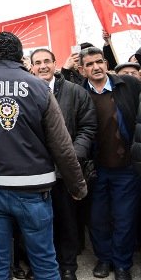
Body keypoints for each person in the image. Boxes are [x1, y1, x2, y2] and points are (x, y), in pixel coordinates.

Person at [0, 32, 87, 280]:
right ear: (20, 55)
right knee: (45, 261)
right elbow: (62, 145)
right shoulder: (39, 87)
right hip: (33, 189)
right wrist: (77, 186)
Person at [30, 48, 97, 280]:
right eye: (37, 62)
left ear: (55, 64)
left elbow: (88, 127)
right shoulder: (25, 93)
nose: (42, 66)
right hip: (34, 172)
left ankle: (68, 266)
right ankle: (42, 265)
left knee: (67, 221)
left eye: (47, 61)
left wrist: (74, 155)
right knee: (38, 224)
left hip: (65, 171)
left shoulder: (75, 92)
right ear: (31, 67)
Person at [82, 47, 141, 280]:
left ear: (106, 63)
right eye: (89, 64)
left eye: (99, 62)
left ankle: (122, 264)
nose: (95, 67)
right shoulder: (78, 93)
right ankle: (104, 259)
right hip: (96, 170)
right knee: (97, 220)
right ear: (82, 69)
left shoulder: (128, 84)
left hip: (126, 168)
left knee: (125, 219)